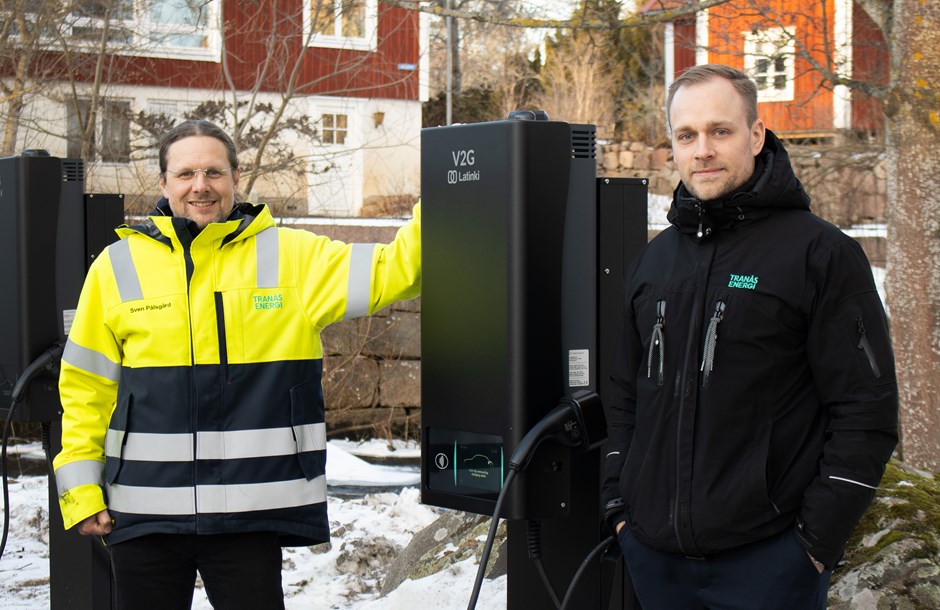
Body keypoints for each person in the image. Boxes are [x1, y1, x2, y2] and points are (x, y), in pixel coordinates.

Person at [52, 119, 421, 609]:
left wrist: (447, 189)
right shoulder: (117, 267)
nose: (200, 185)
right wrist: (81, 491)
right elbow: (85, 388)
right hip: (142, 514)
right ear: (163, 183)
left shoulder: (291, 257)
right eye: (185, 174)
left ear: (235, 177)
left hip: (249, 513)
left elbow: (396, 270)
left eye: (213, 172)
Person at [601, 64, 898, 609]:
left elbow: (867, 411)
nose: (703, 149)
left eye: (721, 130)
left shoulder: (821, 255)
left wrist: (814, 545)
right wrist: (621, 509)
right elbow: (624, 394)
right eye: (687, 135)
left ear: (756, 136)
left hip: (770, 564)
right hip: (656, 560)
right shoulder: (654, 262)